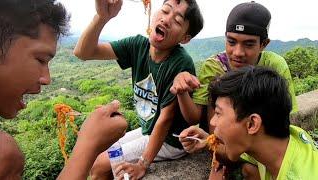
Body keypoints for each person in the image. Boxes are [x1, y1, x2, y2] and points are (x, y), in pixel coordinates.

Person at [73, 0, 204, 179]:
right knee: (98, 152)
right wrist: (101, 18)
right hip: (147, 130)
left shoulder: (180, 62)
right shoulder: (138, 45)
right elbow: (83, 52)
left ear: (185, 38)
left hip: (170, 140)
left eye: (178, 21)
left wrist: (143, 164)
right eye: (165, 11)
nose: (166, 20)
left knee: (100, 165)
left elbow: (165, 120)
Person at [0, 0, 127, 179]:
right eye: (41, 60)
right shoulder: (3, 155)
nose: (47, 79)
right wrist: (88, 146)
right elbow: (84, 51)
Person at [170, 1, 298, 132]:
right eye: (231, 42)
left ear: (263, 44)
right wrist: (182, 92)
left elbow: (284, 117)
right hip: (220, 141)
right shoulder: (214, 67)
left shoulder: (273, 66)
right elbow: (195, 118)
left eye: (249, 44)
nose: (238, 53)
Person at [206, 66, 317, 179]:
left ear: (252, 124)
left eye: (218, 113)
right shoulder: (286, 139)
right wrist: (205, 141)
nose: (212, 122)